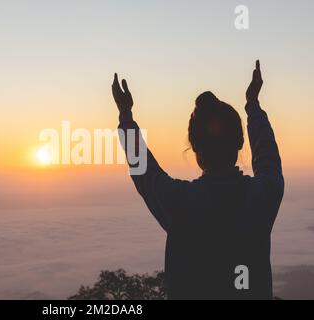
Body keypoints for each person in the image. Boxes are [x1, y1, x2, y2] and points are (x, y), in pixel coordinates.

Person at [112, 61, 284, 299]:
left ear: (194, 146)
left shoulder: (179, 202)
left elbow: (144, 170)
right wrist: (252, 105)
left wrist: (125, 115)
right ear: (240, 143)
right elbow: (267, 157)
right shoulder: (263, 195)